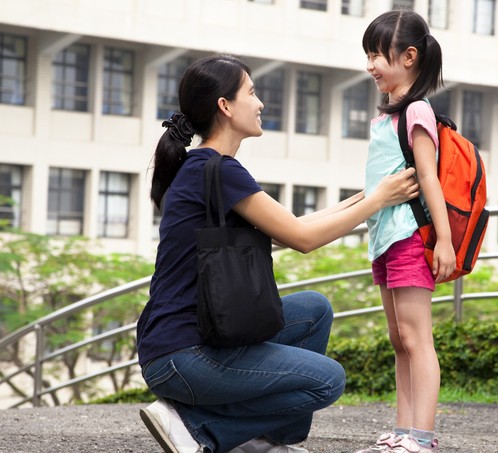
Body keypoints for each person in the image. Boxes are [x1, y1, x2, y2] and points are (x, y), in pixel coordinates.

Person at [136, 54, 420, 453]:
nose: (260, 103)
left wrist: (369, 197)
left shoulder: (211, 168)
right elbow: (303, 238)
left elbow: (289, 229)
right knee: (327, 380)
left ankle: (268, 441)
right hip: (183, 354)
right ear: (225, 106)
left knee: (314, 310)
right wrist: (377, 203)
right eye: (251, 93)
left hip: (187, 343)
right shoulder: (216, 170)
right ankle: (197, 428)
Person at [354, 10, 456, 453]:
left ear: (409, 57)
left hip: (410, 238)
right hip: (385, 239)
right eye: (369, 54)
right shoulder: (387, 115)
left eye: (378, 54)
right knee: (400, 339)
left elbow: (429, 177)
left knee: (417, 339)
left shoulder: (416, 109)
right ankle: (401, 431)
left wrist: (446, 240)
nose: (371, 64)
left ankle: (422, 437)